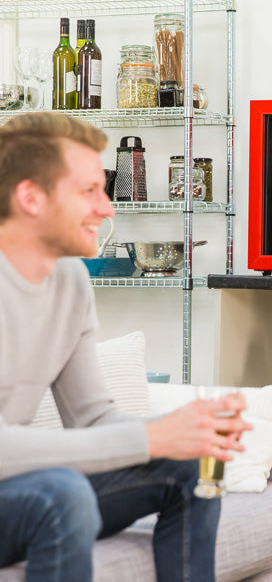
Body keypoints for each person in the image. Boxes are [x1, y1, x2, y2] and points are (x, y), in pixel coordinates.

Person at [0, 111, 251, 582]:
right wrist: (152, 436)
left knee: (193, 462)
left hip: (18, 491)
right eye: (88, 192)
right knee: (61, 493)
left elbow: (92, 418)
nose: (107, 207)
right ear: (30, 197)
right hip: (26, 494)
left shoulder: (69, 279)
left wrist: (188, 430)